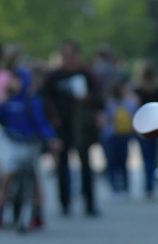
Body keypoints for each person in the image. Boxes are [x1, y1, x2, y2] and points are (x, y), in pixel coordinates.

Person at [42, 40, 102, 217]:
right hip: (62, 126)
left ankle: (89, 203)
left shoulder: (86, 74)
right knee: (62, 164)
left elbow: (99, 99)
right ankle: (65, 203)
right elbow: (46, 99)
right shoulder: (54, 76)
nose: (68, 59)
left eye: (71, 55)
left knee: (86, 164)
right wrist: (53, 118)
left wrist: (87, 99)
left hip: (82, 127)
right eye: (65, 56)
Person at [0, 66, 59, 232]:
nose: (13, 83)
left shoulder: (31, 101)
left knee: (35, 179)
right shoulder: (9, 102)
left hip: (30, 145)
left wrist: (51, 138)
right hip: (12, 144)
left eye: (16, 79)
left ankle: (38, 214)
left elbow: (41, 124)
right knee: (6, 179)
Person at [132, 60, 158, 198]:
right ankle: (151, 185)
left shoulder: (139, 89)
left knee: (146, 157)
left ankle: (148, 185)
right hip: (157, 125)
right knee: (154, 156)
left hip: (143, 126)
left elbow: (136, 108)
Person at [101, 81, 137, 197]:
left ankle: (115, 188)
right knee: (123, 162)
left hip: (111, 135)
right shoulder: (128, 102)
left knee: (112, 162)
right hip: (123, 134)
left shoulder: (108, 103)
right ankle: (125, 187)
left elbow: (104, 119)